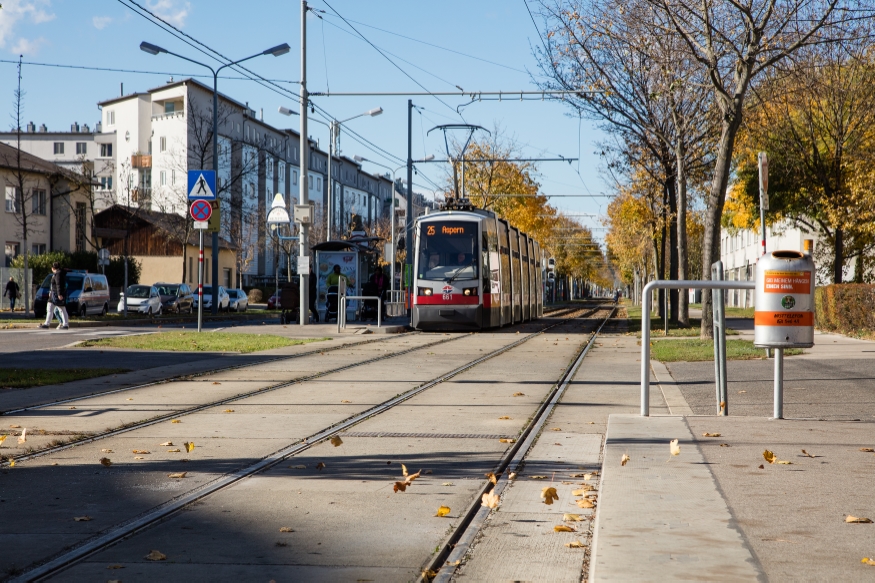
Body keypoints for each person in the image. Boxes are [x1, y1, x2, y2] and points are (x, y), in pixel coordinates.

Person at [39, 262, 69, 330]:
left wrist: (59, 294)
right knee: (50, 308)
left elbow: (58, 285)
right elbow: (54, 285)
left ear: (53, 268)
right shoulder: (58, 273)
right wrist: (51, 291)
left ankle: (65, 324)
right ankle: (47, 323)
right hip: (53, 294)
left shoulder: (58, 274)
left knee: (61, 309)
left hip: (56, 294)